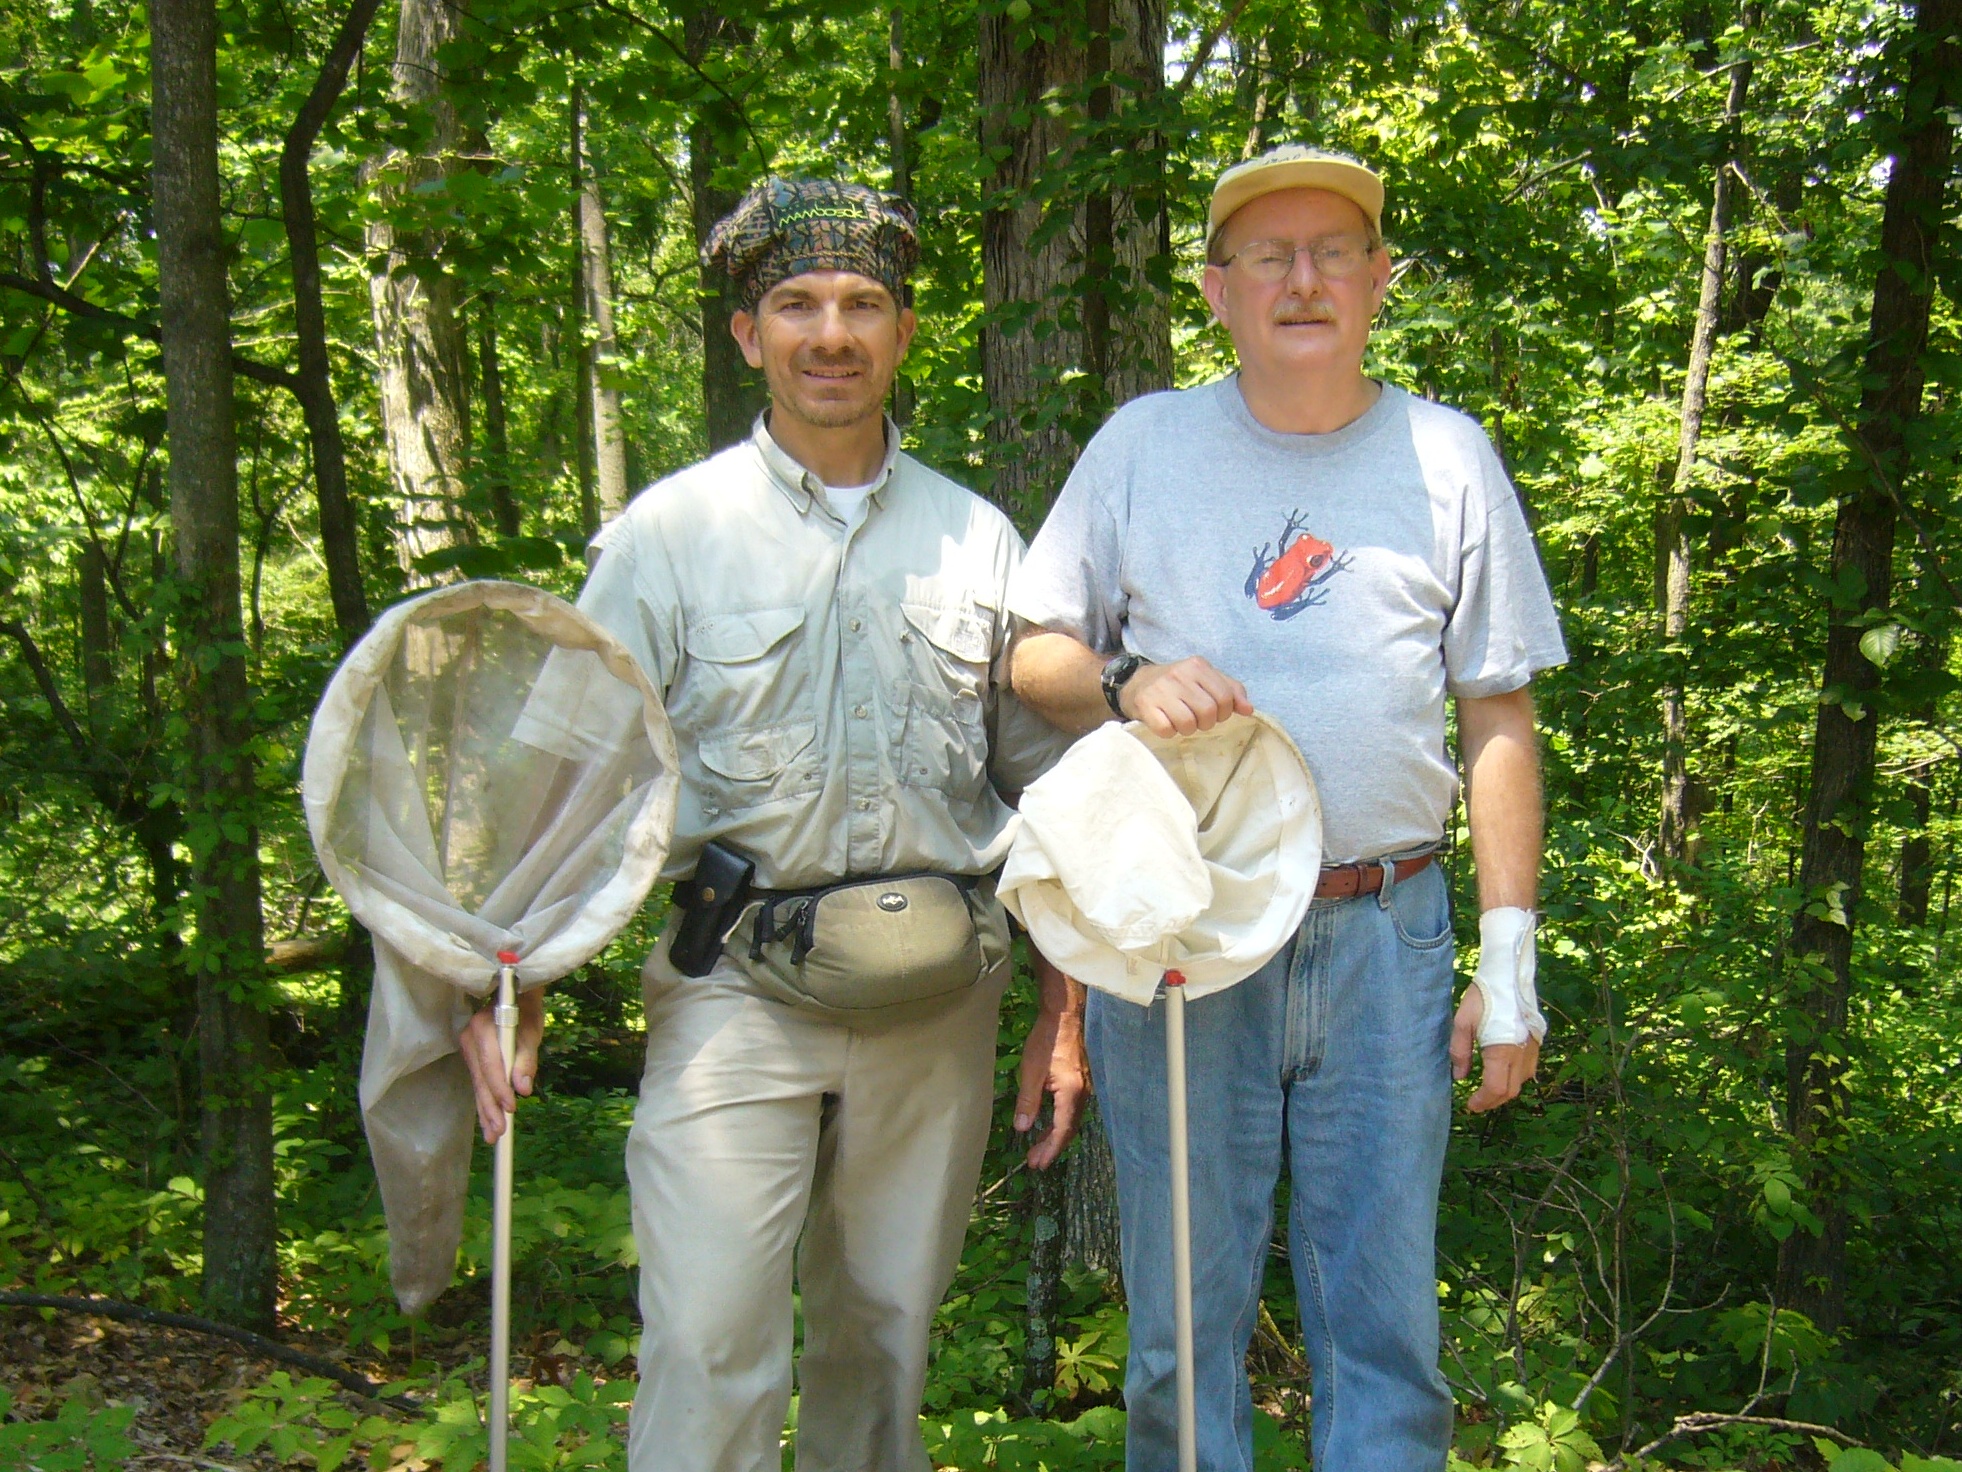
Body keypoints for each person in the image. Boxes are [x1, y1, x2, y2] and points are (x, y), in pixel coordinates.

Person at [454, 176, 1087, 1472]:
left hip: (937, 1008)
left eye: (862, 303)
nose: (831, 330)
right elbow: (572, 776)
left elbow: (1048, 790)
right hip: (730, 992)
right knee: (707, 1345)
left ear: (905, 330)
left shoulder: (979, 541)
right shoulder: (665, 540)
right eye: (796, 303)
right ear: (748, 333)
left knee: (883, 1343)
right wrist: (508, 971)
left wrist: (1063, 1011)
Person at [1008, 145, 1568, 1471]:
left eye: (1332, 252)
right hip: (1180, 937)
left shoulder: (1445, 455)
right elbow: (1031, 656)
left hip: (1387, 929)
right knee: (1180, 1331)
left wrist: (1511, 964)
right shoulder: (1143, 444)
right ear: (1215, 288)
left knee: (1382, 1332)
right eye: (1268, 255)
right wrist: (1125, 678)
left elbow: (1496, 714)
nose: (1303, 279)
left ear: (1379, 280)